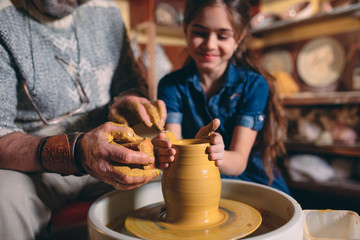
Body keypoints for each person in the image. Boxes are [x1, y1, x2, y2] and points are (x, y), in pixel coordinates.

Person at [0, 0, 166, 239]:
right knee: (3, 199)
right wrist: (76, 152)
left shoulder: (106, 10)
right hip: (33, 160)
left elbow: (128, 85)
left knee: (167, 181)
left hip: (108, 149)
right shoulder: (5, 19)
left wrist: (127, 103)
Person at [154, 0, 290, 194]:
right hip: (195, 175)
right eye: (200, 33)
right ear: (185, 29)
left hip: (249, 177)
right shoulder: (170, 85)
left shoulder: (254, 85)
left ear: (239, 37)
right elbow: (175, 147)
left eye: (222, 36)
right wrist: (164, 151)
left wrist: (218, 155)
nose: (210, 44)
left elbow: (239, 161)